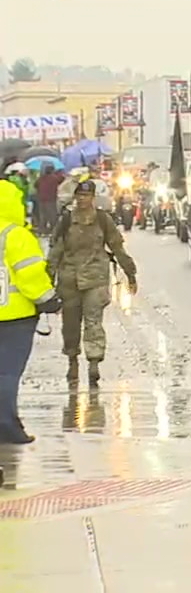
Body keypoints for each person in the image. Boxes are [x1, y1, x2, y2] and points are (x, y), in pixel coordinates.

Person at [49, 177, 138, 387]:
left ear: (93, 197)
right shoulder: (66, 220)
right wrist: (48, 278)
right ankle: (72, 360)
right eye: (79, 196)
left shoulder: (102, 219)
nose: (83, 200)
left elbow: (117, 247)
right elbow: (55, 250)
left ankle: (93, 362)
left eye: (87, 196)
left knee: (93, 322)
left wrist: (130, 273)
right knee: (70, 325)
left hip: (95, 279)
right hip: (69, 280)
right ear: (75, 197)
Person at [0, 180, 61, 444]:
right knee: (7, 373)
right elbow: (31, 274)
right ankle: (7, 426)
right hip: (14, 319)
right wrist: (49, 299)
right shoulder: (15, 235)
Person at [34, 164, 64, 235]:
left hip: (41, 199)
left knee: (42, 216)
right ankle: (53, 230)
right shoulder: (54, 178)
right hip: (51, 199)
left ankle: (42, 230)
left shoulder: (41, 178)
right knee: (52, 215)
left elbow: (35, 185)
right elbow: (62, 180)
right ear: (52, 170)